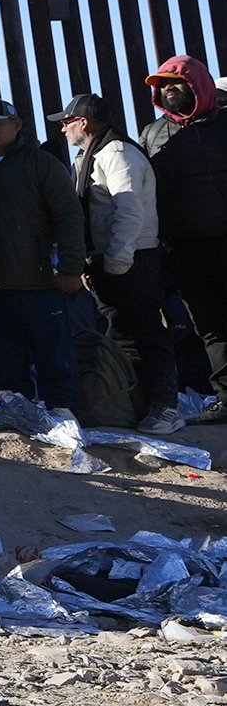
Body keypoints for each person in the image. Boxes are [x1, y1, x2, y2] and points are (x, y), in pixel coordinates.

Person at [0, 95, 90, 418]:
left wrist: (70, 268)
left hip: (39, 282)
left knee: (54, 353)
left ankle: (64, 413)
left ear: (17, 125)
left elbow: (69, 217)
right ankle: (15, 413)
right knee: (2, 357)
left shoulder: (42, 164)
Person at [63, 91, 178, 434]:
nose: (63, 129)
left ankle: (165, 406)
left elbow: (130, 211)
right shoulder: (90, 156)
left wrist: (117, 262)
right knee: (121, 335)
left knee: (145, 332)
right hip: (110, 258)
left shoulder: (117, 153)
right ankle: (135, 406)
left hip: (132, 258)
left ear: (84, 122)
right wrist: (91, 263)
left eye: (67, 122)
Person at [143, 57, 227, 416]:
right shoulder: (152, 134)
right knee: (209, 327)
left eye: (174, 82)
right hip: (183, 251)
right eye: (162, 85)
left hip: (224, 240)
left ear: (198, 84)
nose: (167, 89)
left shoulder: (224, 125)